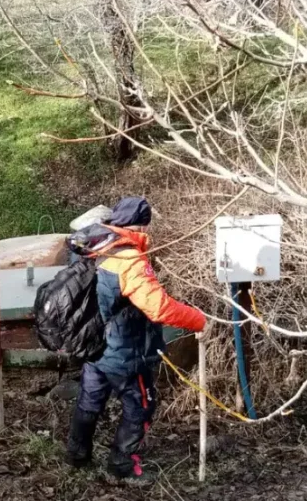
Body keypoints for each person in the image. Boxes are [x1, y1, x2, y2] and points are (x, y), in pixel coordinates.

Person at [64, 196, 207, 485]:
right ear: (141, 226)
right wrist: (199, 320)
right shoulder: (129, 260)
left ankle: (76, 456)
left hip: (93, 345)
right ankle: (122, 466)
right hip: (126, 353)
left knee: (89, 401)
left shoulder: (90, 247)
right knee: (140, 407)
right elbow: (159, 307)